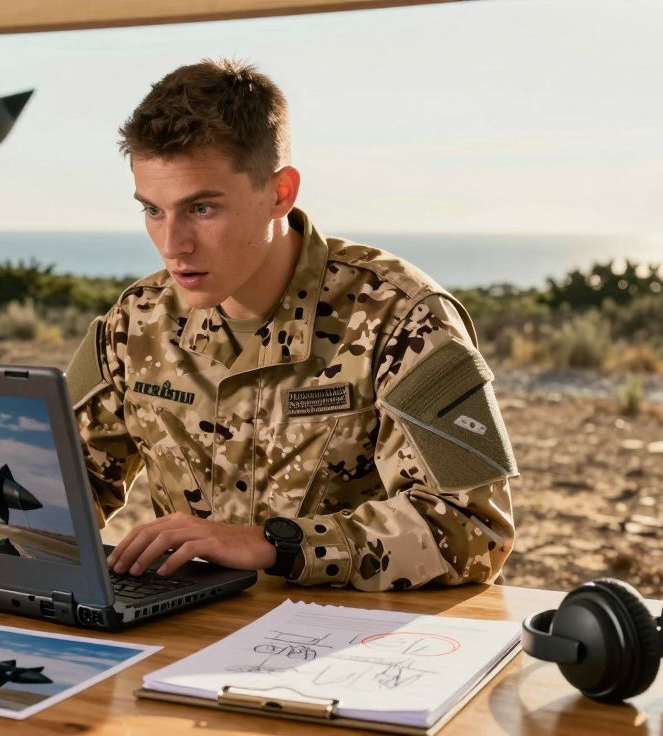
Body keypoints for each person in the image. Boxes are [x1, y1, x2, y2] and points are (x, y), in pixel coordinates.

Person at [65, 59, 518, 590]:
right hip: (185, 633)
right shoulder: (135, 321)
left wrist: (273, 543)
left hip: (350, 644)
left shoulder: (402, 316)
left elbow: (473, 529)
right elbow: (61, 493)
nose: (173, 244)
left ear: (280, 191)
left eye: (202, 209)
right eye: (153, 210)